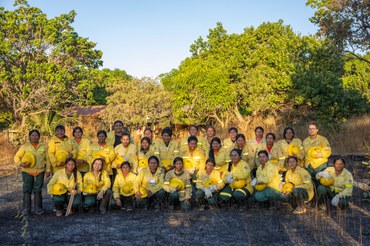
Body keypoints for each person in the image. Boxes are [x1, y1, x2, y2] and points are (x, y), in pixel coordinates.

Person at [14, 129, 50, 215]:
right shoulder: (24, 147)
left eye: (36, 135)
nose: (34, 137)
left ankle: (38, 208)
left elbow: (48, 160)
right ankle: (26, 208)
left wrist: (48, 169)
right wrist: (20, 164)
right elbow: (17, 156)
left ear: (39, 137)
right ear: (29, 136)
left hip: (40, 171)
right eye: (33, 135)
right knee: (27, 189)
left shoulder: (43, 146)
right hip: (27, 171)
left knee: (38, 189)